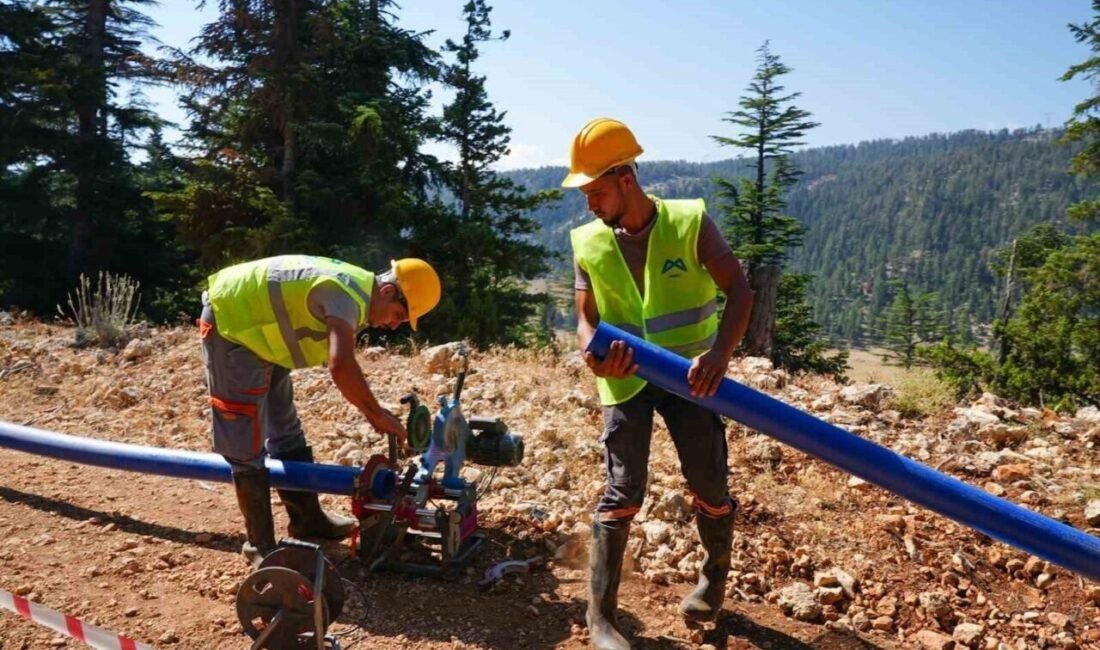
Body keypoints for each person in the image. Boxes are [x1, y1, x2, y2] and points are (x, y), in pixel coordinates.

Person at [564, 118, 754, 648]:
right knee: (621, 492)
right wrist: (591, 354)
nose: (589, 205)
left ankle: (713, 584)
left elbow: (739, 290)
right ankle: (600, 618)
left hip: (691, 379)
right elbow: (585, 317)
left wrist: (719, 353)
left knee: (710, 487)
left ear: (626, 178)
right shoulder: (587, 242)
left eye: (596, 191)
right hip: (625, 384)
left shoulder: (690, 223)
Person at [197, 254, 441, 566]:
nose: (394, 326)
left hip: (265, 336)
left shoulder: (358, 290)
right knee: (246, 441)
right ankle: (259, 545)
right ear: (387, 292)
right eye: (398, 316)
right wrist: (377, 414)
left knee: (285, 429)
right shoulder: (345, 295)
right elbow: (340, 365)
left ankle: (307, 521)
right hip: (233, 324)